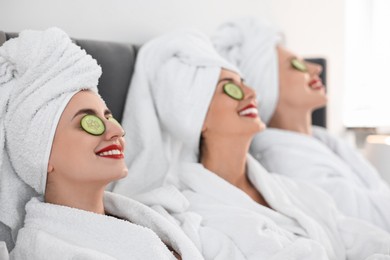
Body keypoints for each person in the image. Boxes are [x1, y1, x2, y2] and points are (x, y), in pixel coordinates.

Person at [112, 29, 390, 260]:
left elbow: (364, 238)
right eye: (230, 88)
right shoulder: (192, 213)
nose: (251, 93)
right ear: (197, 115)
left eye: (244, 82)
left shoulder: (294, 191)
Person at [0, 27, 204, 260]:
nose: (116, 130)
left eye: (108, 117)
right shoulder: (46, 251)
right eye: (88, 122)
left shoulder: (149, 218)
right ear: (41, 154)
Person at [211, 17, 390, 232]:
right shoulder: (287, 164)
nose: (315, 69)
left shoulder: (322, 140)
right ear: (266, 82)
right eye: (296, 65)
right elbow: (371, 224)